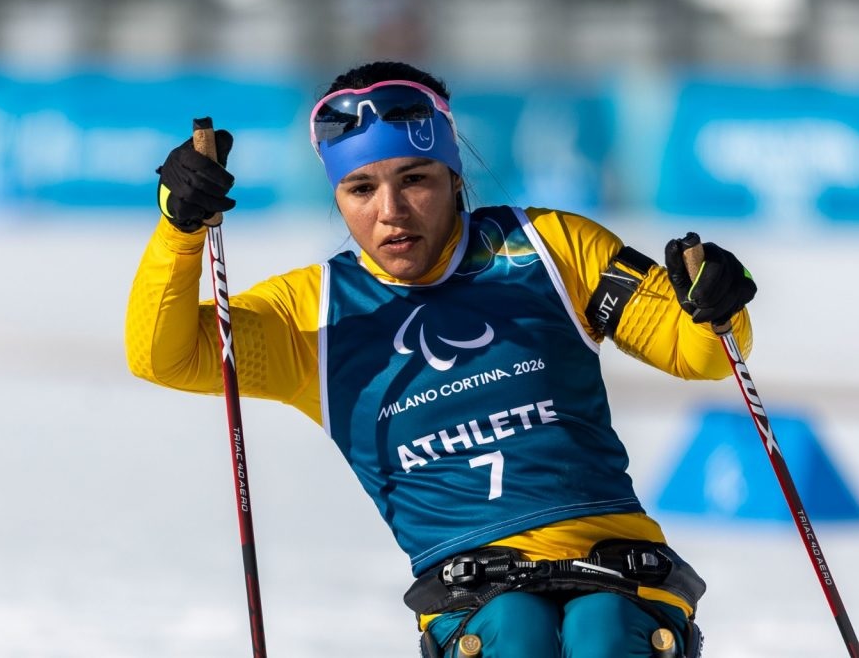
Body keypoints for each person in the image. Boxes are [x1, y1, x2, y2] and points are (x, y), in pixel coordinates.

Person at [126, 60, 756, 657]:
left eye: (415, 179)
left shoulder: (548, 247)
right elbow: (165, 355)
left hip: (618, 569)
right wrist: (178, 231)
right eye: (360, 188)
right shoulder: (312, 314)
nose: (390, 212)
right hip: (475, 592)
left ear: (455, 176)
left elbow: (697, 351)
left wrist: (718, 305)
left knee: (602, 629)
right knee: (516, 631)